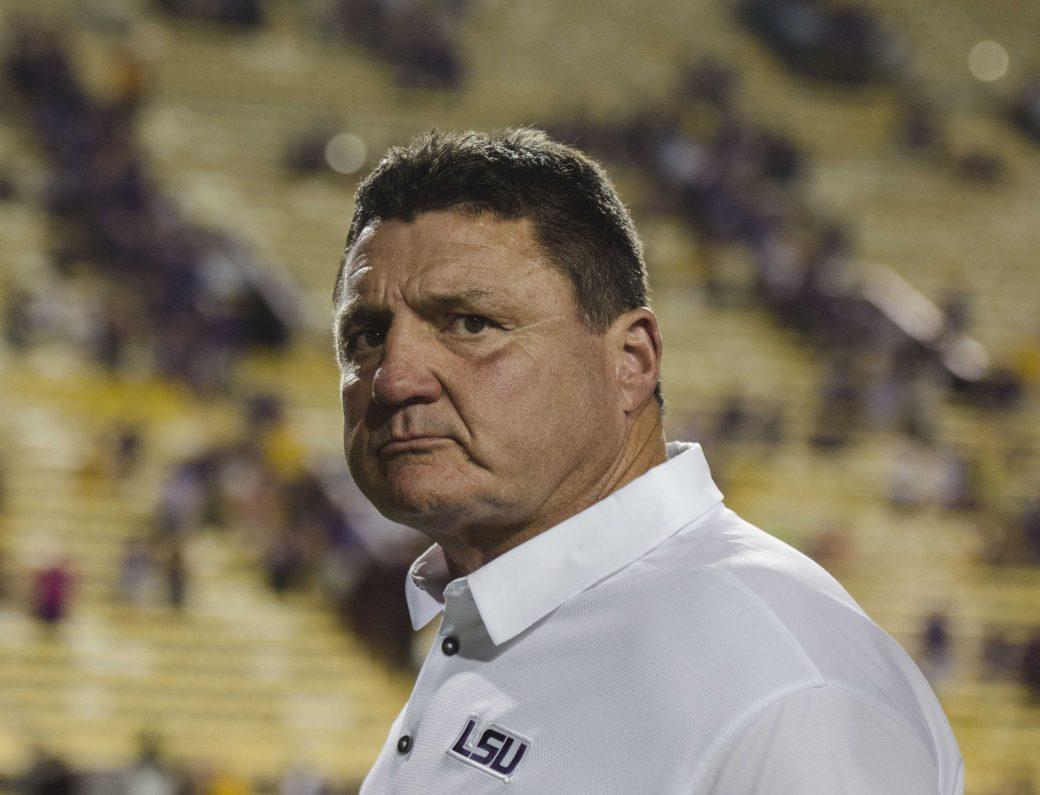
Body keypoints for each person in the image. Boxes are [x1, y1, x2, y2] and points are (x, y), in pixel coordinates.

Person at [333, 129, 962, 793]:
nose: (395, 378)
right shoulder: (498, 615)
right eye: (368, 335)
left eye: (468, 323)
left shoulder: (788, 688)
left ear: (631, 362)